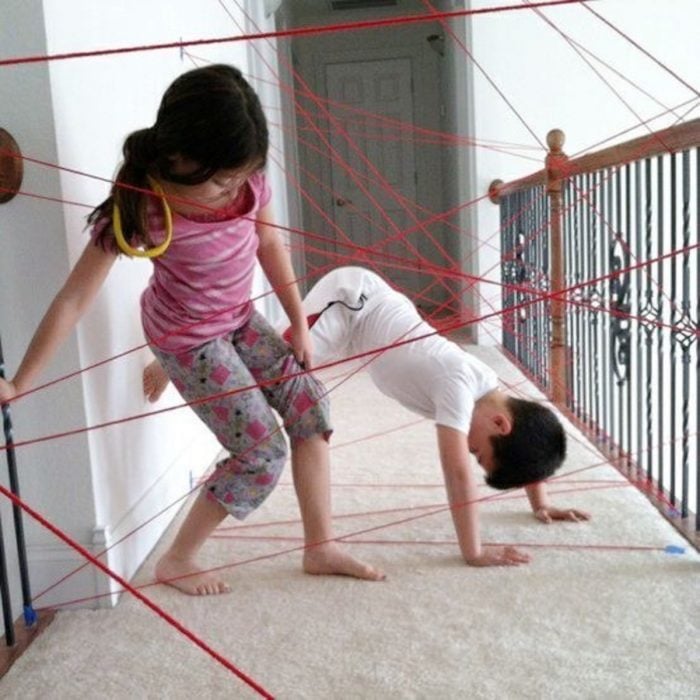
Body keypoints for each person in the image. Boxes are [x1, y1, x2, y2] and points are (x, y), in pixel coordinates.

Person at [0, 65, 384, 596]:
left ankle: (320, 545)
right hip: (188, 339)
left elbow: (269, 245)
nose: (233, 190)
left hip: (239, 317)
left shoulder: (249, 183)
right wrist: (21, 381)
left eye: (239, 177)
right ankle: (178, 558)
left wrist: (297, 320)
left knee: (311, 408)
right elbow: (73, 298)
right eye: (221, 180)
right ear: (178, 157)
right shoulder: (142, 207)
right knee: (261, 451)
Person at [146, 266, 591, 568]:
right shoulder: (460, 385)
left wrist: (541, 500)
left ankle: (193, 346)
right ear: (498, 424)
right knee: (279, 361)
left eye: (476, 458)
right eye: (480, 453)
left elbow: (531, 437)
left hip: (363, 331)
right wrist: (472, 551)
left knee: (288, 377)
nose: (470, 454)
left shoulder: (490, 402)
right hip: (356, 301)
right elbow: (455, 472)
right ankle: (177, 352)